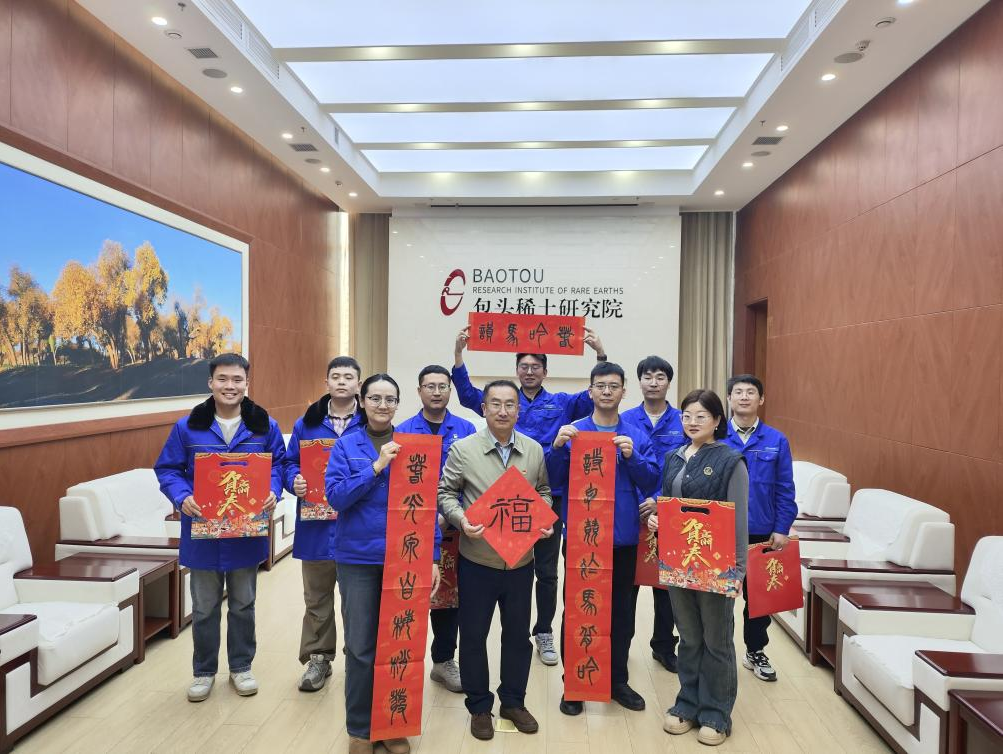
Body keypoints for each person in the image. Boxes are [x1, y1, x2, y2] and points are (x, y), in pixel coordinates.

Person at [452, 326, 607, 666]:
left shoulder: (562, 403)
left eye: (536, 366)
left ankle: (544, 631)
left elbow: (594, 396)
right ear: (517, 370)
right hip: (504, 499)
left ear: (545, 371)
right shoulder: (505, 403)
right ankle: (509, 631)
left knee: (547, 570)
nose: (530, 371)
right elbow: (466, 394)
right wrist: (459, 355)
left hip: (550, 494)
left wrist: (600, 355)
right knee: (509, 565)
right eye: (524, 366)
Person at [154, 353, 284, 703]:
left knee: (243, 604)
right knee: (204, 607)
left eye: (237, 380)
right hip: (203, 533)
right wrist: (182, 497)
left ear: (247, 383)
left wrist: (273, 489)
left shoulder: (263, 425)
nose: (230, 386)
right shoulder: (187, 427)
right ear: (210, 382)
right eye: (223, 379)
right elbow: (167, 469)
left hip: (245, 533)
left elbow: (279, 464)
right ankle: (204, 671)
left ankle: (241, 667)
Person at [325, 374, 442, 754]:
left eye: (390, 399)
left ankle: (393, 724)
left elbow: (427, 505)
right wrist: (375, 467)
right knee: (360, 648)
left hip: (405, 559)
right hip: (358, 558)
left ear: (398, 404)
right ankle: (360, 729)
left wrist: (433, 555)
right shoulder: (347, 445)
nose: (382, 405)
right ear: (362, 401)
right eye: (374, 398)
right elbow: (335, 497)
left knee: (400, 645)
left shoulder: (413, 445)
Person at [438, 380, 554, 741]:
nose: (503, 411)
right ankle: (479, 706)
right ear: (484, 408)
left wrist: (543, 515)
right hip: (477, 560)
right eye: (495, 404)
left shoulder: (533, 449)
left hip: (520, 562)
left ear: (518, 410)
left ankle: (513, 701)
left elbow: (544, 491)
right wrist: (461, 520)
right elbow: (445, 493)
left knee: (518, 636)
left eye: (510, 405)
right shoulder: (464, 449)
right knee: (473, 635)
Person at [549, 361, 659, 715]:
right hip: (582, 541)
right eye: (601, 386)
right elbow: (551, 480)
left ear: (624, 391)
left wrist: (633, 456)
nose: (607, 391)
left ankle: (617, 681)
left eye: (614, 386)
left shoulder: (636, 434)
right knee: (578, 611)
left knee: (622, 614)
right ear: (591, 391)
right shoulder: (574, 432)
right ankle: (573, 684)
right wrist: (556, 448)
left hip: (623, 539)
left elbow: (652, 481)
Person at [648, 389, 748, 746]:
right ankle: (687, 704)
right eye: (687, 416)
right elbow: (668, 504)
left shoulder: (731, 460)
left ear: (717, 420)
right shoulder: (673, 457)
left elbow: (738, 520)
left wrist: (738, 570)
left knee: (716, 640)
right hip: (678, 560)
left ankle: (716, 713)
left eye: (701, 416)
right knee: (689, 638)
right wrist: (657, 519)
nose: (692, 422)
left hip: (716, 564)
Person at [282, 356, 364, 692]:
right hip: (316, 526)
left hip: (358, 527)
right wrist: (294, 481)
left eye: (349, 377)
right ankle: (318, 659)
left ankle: (358, 660)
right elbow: (288, 463)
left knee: (358, 599)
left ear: (359, 384)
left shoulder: (371, 420)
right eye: (336, 376)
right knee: (317, 598)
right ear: (326, 382)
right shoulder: (307, 423)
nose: (342, 382)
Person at [395, 365, 477, 694]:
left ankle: (443, 661)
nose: (437, 392)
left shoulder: (467, 429)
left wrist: (448, 515)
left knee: (449, 596)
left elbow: (475, 480)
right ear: (419, 391)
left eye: (443, 386)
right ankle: (403, 660)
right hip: (412, 530)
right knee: (411, 593)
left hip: (455, 529)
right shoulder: (403, 431)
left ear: (450, 391)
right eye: (430, 386)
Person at [723, 374, 797, 683]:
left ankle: (755, 651)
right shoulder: (716, 436)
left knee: (759, 601)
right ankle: (719, 655)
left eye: (750, 392)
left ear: (761, 399)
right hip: (723, 532)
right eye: (738, 392)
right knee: (721, 598)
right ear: (729, 398)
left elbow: (785, 489)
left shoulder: (776, 440)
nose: (744, 397)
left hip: (762, 532)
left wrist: (781, 527)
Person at [622, 355, 687, 673]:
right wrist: (641, 503)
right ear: (639, 382)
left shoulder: (683, 421)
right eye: (647, 376)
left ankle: (663, 646)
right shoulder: (625, 420)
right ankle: (622, 645)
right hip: (632, 514)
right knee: (627, 587)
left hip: (670, 513)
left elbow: (689, 465)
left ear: (668, 383)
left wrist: (659, 500)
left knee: (667, 588)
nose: (653, 382)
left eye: (660, 377)